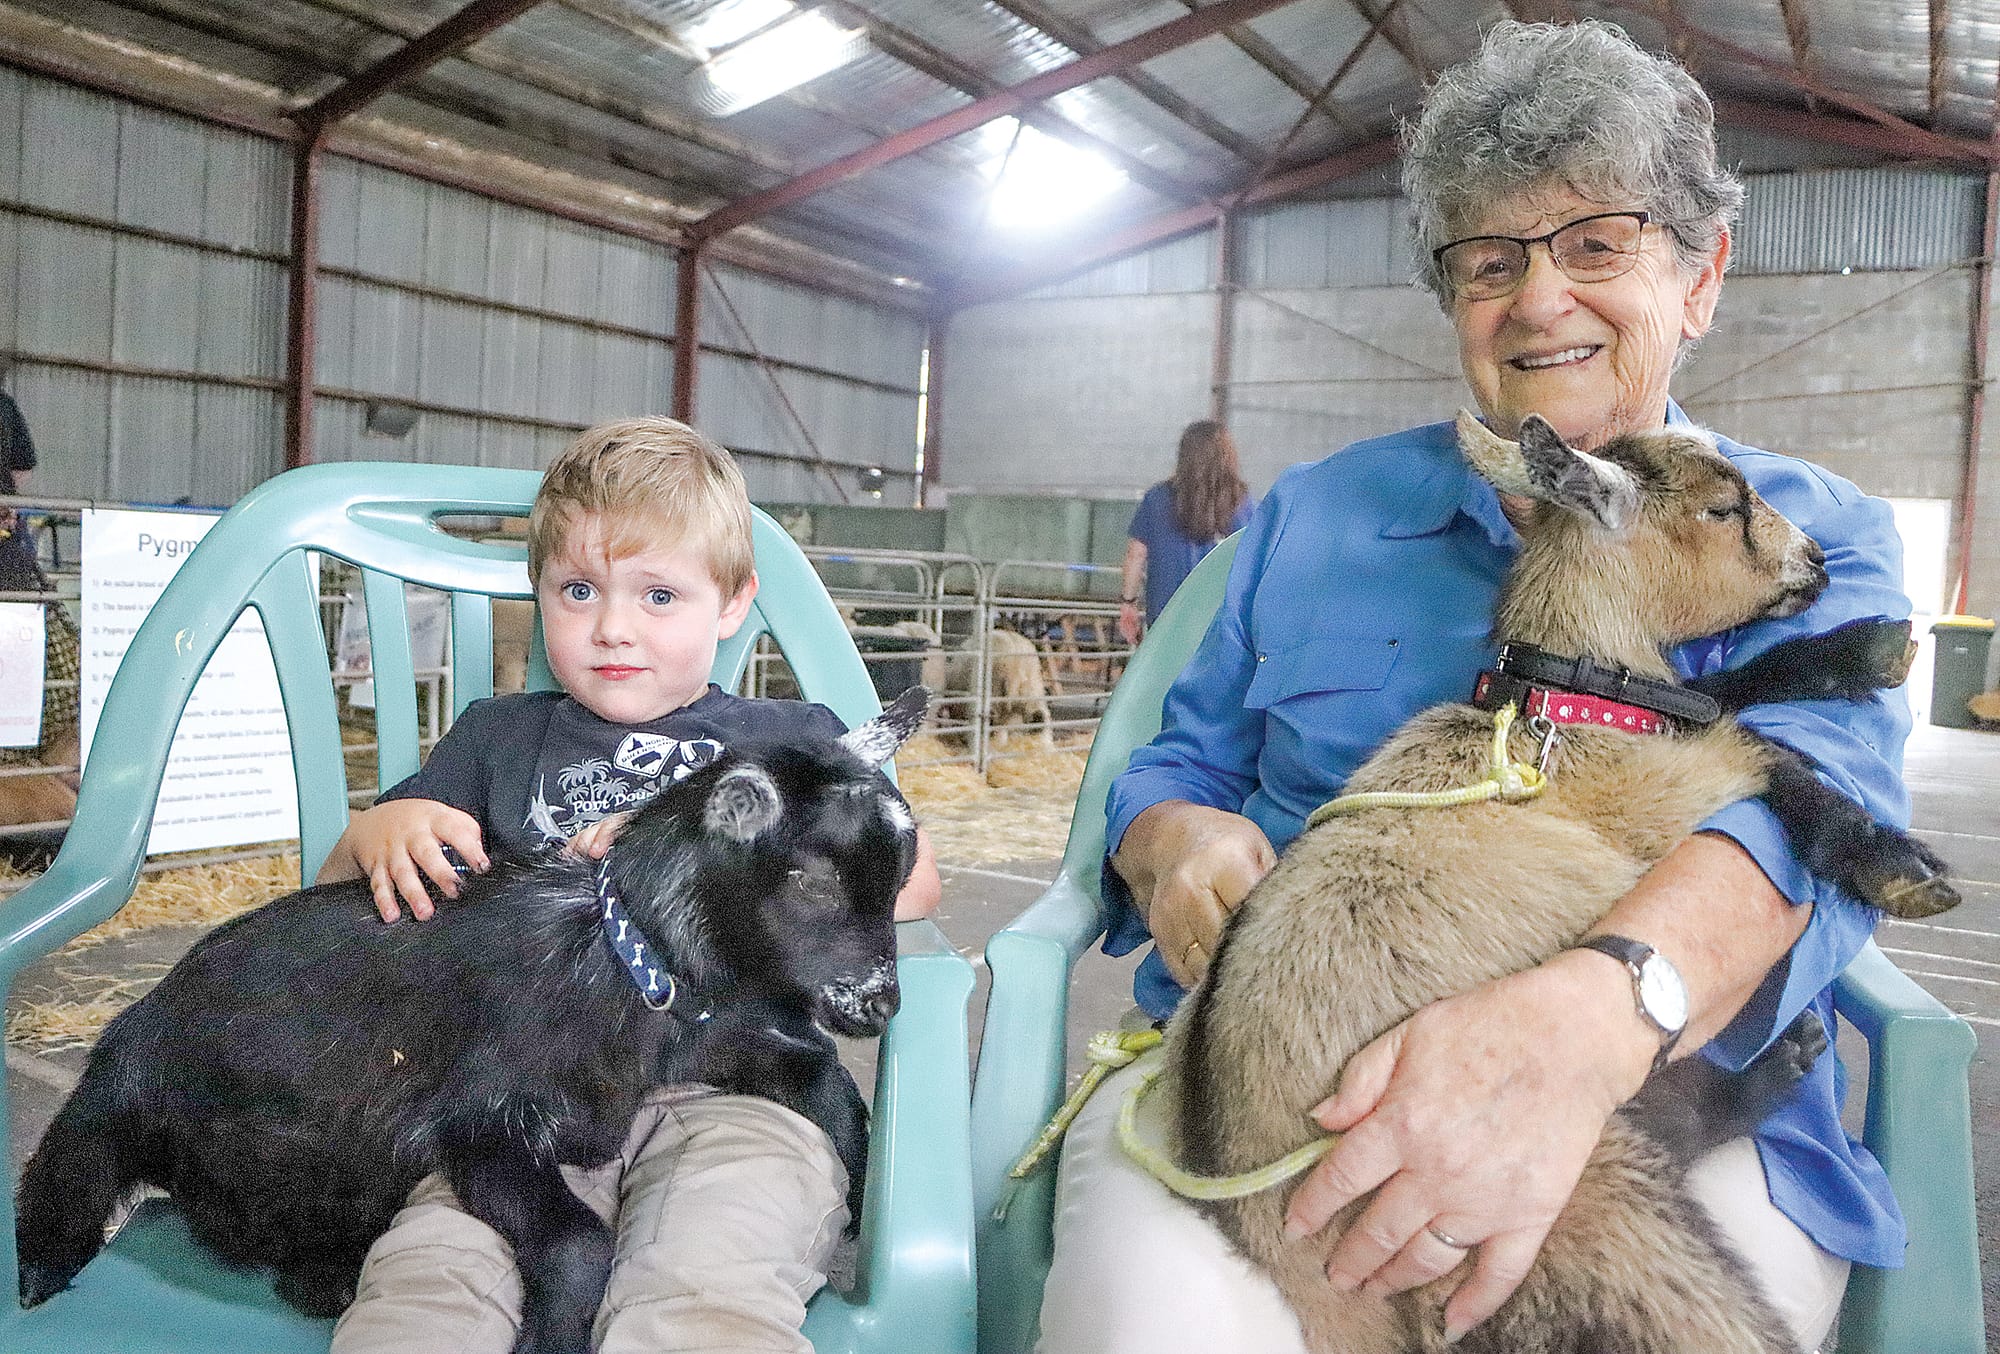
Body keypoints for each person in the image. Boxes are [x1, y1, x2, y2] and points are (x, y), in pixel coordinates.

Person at [1038, 21, 1909, 1354]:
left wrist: (1579, 1025)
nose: (1540, 300)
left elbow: (1809, 816)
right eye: (1490, 261)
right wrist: (1173, 839)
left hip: (1669, 1087)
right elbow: (1178, 763)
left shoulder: (1801, 535)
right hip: (1268, 1090)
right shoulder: (1315, 515)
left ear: (1701, 276)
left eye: (1596, 245)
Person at [315, 416, 942, 1354]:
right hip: (521, 1110)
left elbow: (916, 880)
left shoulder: (790, 742)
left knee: (703, 1289)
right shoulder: (495, 739)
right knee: (431, 1280)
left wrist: (701, 851)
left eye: (658, 594)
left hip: (742, 1098)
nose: (613, 627)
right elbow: (335, 890)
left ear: (732, 603)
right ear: (540, 590)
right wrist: (374, 833)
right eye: (578, 591)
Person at [1117, 420, 1254, 645]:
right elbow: (1251, 562)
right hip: (1219, 623)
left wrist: (1128, 603)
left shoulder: (1157, 498)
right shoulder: (1241, 503)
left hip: (1165, 623)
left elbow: (1136, 554)